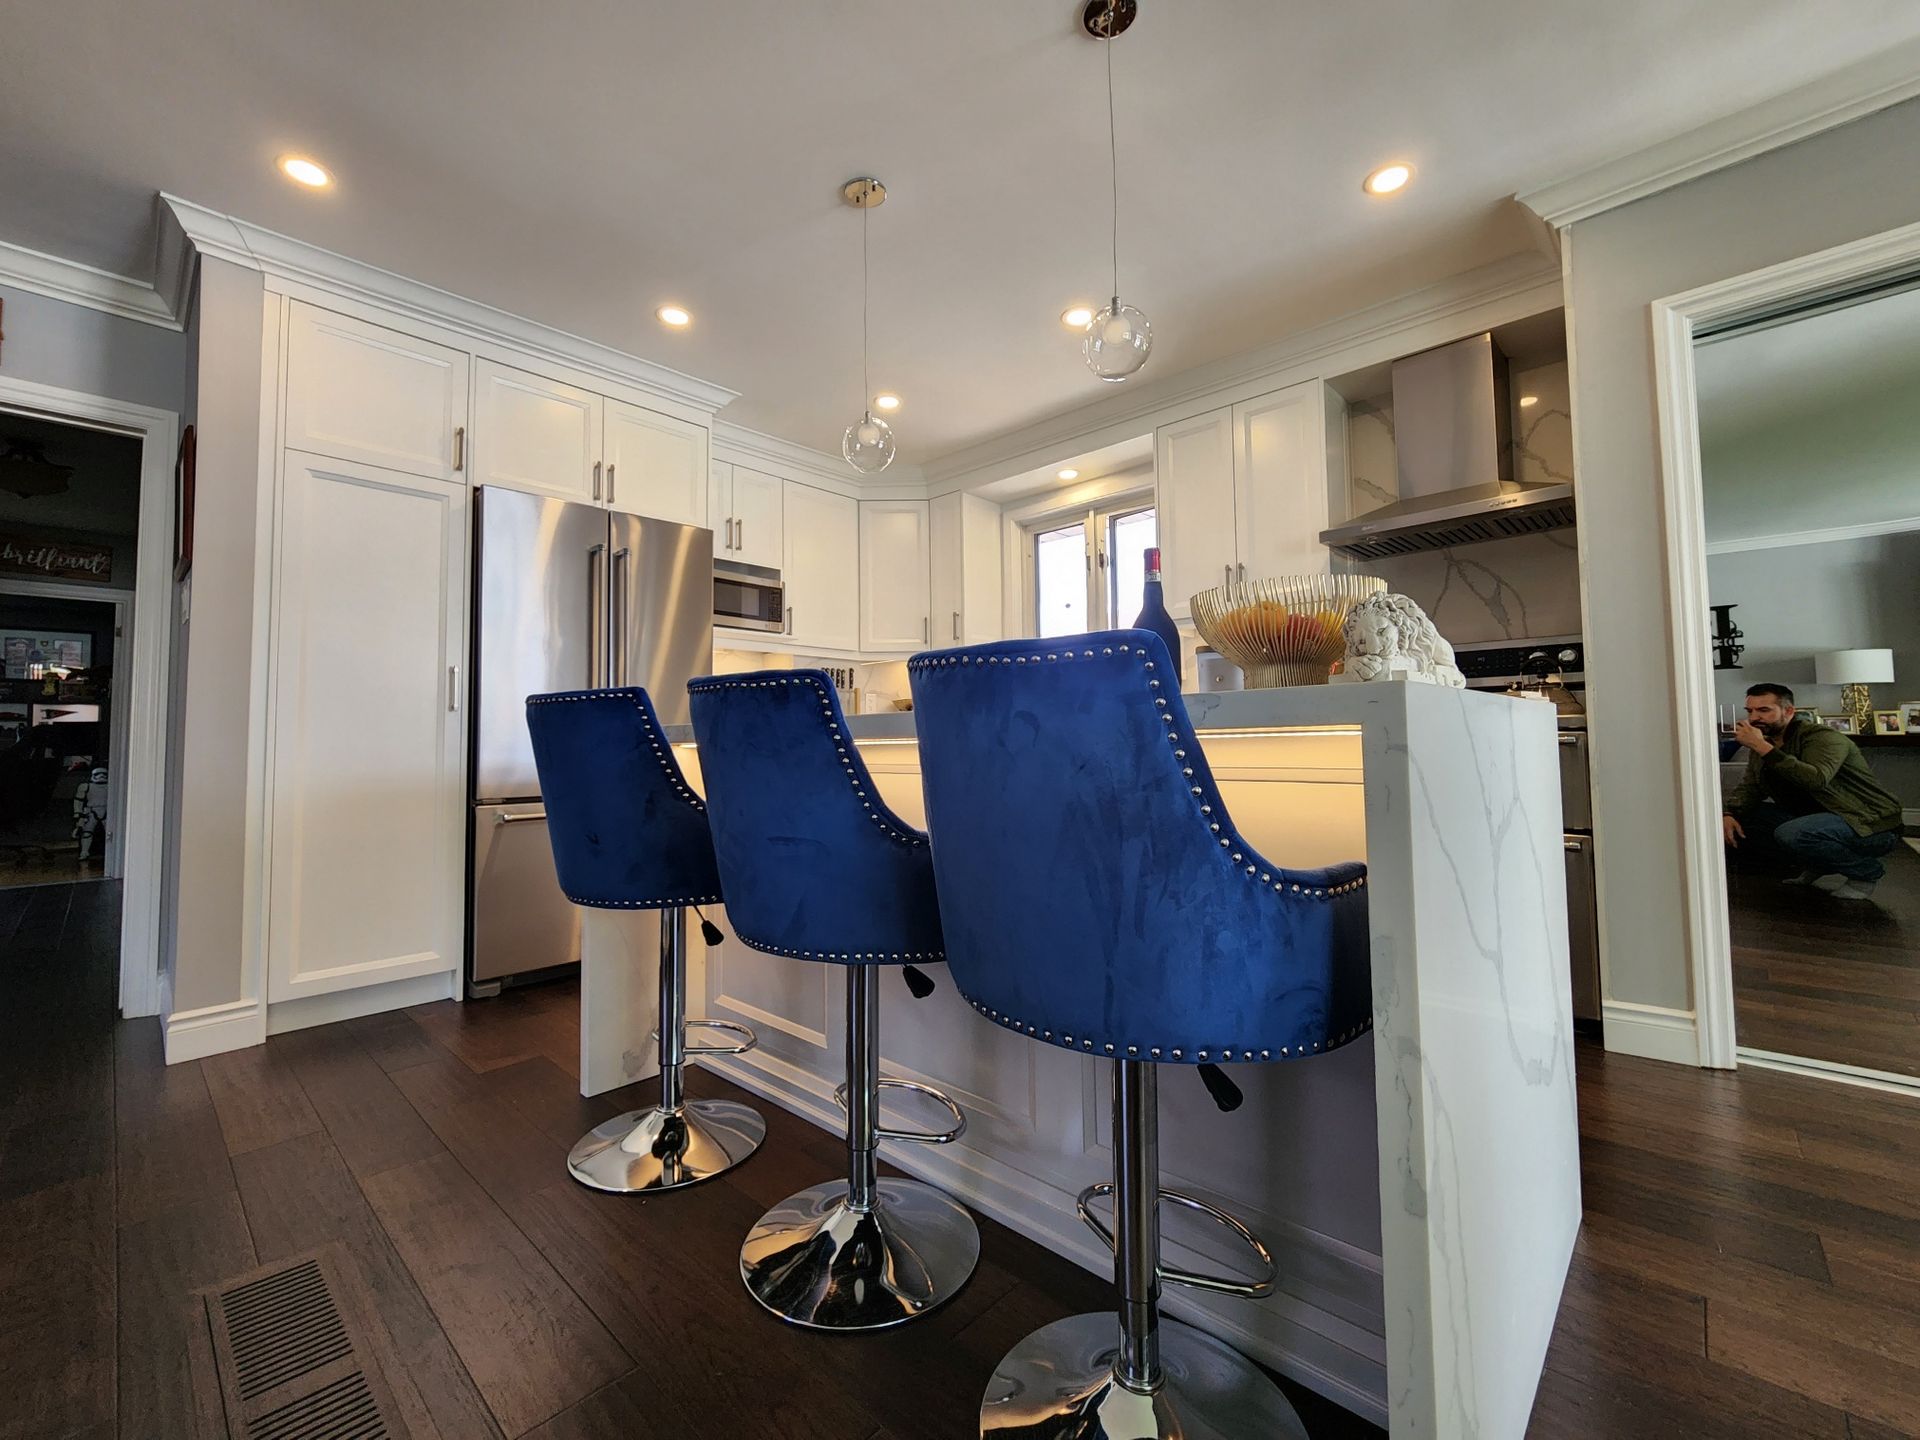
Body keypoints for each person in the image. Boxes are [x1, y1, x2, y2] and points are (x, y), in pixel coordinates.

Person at [1723, 682, 1904, 900]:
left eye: (1764, 710)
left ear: (1789, 711)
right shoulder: (1765, 743)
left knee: (1792, 833)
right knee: (1745, 820)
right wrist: (1729, 814)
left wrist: (1763, 748)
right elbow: (1752, 786)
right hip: (1815, 818)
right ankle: (1818, 863)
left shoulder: (1823, 737)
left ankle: (1866, 872)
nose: (1754, 718)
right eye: (1750, 711)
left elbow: (1815, 779)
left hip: (1868, 822)